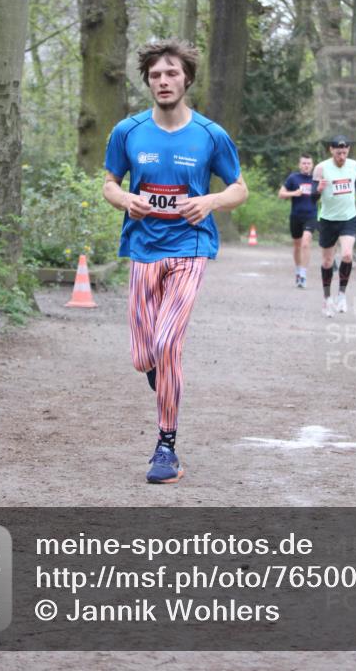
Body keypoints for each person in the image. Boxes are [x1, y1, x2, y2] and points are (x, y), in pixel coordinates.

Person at [102, 38, 248, 484]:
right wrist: (125, 198)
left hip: (191, 248)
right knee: (143, 355)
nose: (163, 81)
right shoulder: (127, 131)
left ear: (187, 79)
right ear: (147, 81)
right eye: (155, 75)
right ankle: (158, 374)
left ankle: (166, 447)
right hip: (143, 249)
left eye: (171, 74)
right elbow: (109, 182)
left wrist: (211, 202)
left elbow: (239, 188)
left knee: (167, 346)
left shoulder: (209, 134)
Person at [313, 135, 356, 317]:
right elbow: (312, 199)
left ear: (348, 151)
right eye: (338, 152)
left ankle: (341, 295)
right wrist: (318, 190)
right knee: (327, 261)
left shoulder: (355, 166)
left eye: (344, 152)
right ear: (331, 150)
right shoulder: (321, 168)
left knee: (347, 255)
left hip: (349, 218)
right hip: (327, 219)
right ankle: (327, 298)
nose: (341, 156)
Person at [278, 154, 319, 288]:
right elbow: (281, 194)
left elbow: (323, 193)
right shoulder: (293, 178)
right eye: (304, 163)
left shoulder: (317, 179)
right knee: (297, 245)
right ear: (300, 165)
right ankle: (297, 270)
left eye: (308, 163)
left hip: (311, 216)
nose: (306, 165)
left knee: (306, 243)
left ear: (312, 165)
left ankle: (303, 274)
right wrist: (293, 193)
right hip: (296, 216)